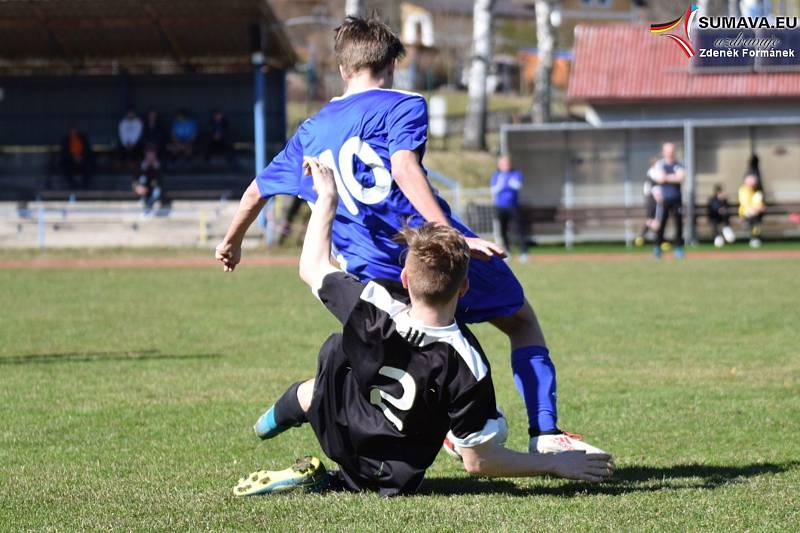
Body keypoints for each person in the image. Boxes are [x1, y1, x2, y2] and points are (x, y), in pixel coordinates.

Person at [216, 16, 606, 455]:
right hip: (432, 255)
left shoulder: (311, 131)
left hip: (369, 279)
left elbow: (256, 190)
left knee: (394, 360)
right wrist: (452, 236)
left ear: (343, 69)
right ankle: (544, 433)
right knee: (520, 322)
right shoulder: (402, 104)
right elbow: (404, 165)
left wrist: (232, 241)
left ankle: (304, 414)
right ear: (392, 63)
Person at [233, 158, 615, 497]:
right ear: (465, 288)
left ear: (404, 277)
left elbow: (312, 266)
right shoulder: (468, 364)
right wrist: (553, 465)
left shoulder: (374, 304)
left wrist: (328, 199)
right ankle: (333, 478)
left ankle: (262, 428)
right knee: (489, 428)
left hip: (335, 420)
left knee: (326, 371)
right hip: (386, 473)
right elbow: (479, 463)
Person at [490, 155, 528, 262]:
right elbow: (494, 189)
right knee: (503, 231)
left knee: (519, 229)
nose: (505, 165)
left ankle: (524, 253)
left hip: (513, 207)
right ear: (499, 165)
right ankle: (507, 252)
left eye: (506, 163)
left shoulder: (516, 173)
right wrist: (506, 184)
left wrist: (504, 184)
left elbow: (516, 186)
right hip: (500, 207)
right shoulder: (496, 175)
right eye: (502, 163)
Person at [651, 142, 685, 258]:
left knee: (678, 224)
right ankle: (657, 248)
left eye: (671, 151)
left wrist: (667, 177)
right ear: (664, 152)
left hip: (677, 199)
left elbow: (681, 178)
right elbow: (659, 179)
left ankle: (679, 249)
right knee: (661, 225)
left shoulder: (679, 163)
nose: (670, 153)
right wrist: (672, 177)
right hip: (663, 200)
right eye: (667, 151)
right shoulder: (660, 164)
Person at [635, 159, 663, 247]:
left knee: (657, 220)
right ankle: (642, 237)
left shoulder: (657, 173)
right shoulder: (651, 174)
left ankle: (659, 240)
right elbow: (650, 189)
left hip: (657, 200)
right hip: (651, 200)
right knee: (652, 220)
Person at [132, 145, 163, 214]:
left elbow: (161, 181)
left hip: (155, 190)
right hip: (143, 189)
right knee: (142, 180)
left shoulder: (159, 165)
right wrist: (137, 187)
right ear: (145, 154)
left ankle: (150, 206)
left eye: (152, 153)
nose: (150, 156)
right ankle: (146, 205)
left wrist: (156, 168)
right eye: (149, 153)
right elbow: (135, 179)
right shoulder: (140, 165)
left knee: (156, 192)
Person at [738, 173, 765, 248]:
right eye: (751, 180)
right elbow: (745, 203)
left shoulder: (756, 191)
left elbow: (759, 203)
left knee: (756, 222)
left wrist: (759, 208)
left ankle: (755, 237)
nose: (754, 181)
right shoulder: (743, 190)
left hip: (755, 212)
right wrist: (752, 209)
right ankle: (753, 237)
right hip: (746, 212)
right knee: (752, 219)